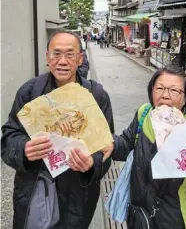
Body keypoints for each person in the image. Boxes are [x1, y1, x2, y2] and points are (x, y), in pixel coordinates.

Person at [1, 30, 114, 229]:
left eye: (70, 55)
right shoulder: (30, 92)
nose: (62, 61)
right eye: (56, 54)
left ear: (80, 59)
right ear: (47, 57)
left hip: (78, 193)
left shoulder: (96, 95)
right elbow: (9, 135)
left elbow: (106, 146)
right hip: (36, 185)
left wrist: (92, 163)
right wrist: (23, 149)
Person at [107, 65, 186, 228]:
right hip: (140, 219)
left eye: (174, 91)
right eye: (159, 88)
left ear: (185, 98)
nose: (165, 95)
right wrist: (109, 143)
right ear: (152, 91)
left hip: (177, 222)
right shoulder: (143, 115)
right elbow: (127, 144)